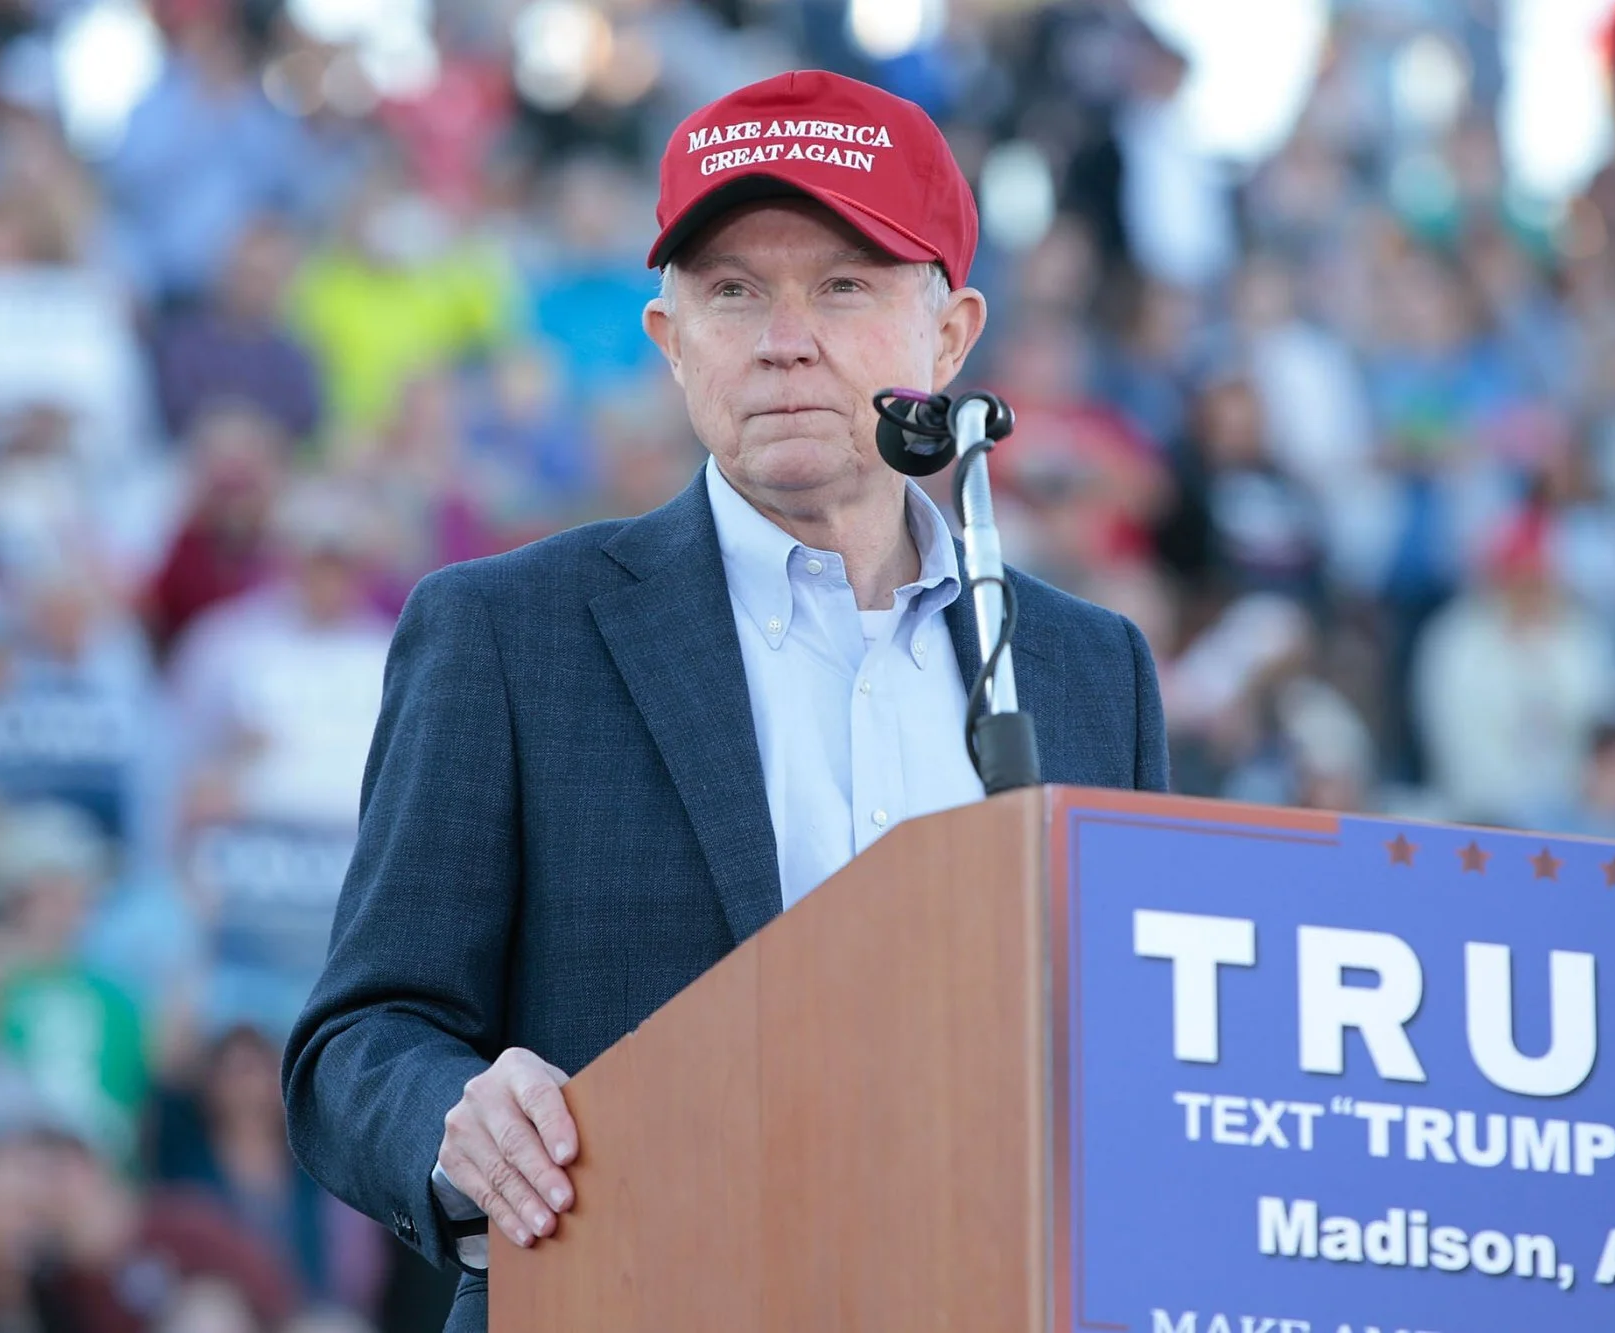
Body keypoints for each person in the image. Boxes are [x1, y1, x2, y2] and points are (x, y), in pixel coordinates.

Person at [282, 70, 1168, 1333]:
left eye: (844, 284)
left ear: (951, 332)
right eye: (732, 290)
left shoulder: (1089, 671)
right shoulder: (506, 632)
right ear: (670, 337)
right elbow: (356, 1044)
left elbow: (1135, 1060)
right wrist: (455, 1118)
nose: (782, 335)